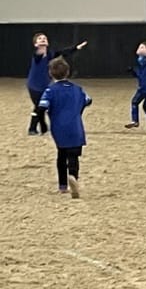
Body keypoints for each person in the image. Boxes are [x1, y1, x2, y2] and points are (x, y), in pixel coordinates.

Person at [38, 57, 91, 199]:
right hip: (76, 127)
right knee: (74, 156)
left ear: (51, 73)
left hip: (59, 128)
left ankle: (63, 185)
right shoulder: (78, 89)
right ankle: (73, 176)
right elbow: (88, 100)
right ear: (68, 72)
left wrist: (43, 125)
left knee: (61, 154)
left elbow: (41, 108)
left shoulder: (50, 90)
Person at [25, 32, 88, 135]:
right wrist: (40, 48)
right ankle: (33, 128)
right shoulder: (37, 55)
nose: (43, 39)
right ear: (35, 44)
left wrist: (76, 48)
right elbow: (38, 54)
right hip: (34, 86)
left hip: (45, 85)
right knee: (39, 106)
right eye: (40, 39)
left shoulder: (51, 54)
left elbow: (64, 52)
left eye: (44, 38)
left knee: (42, 107)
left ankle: (42, 127)